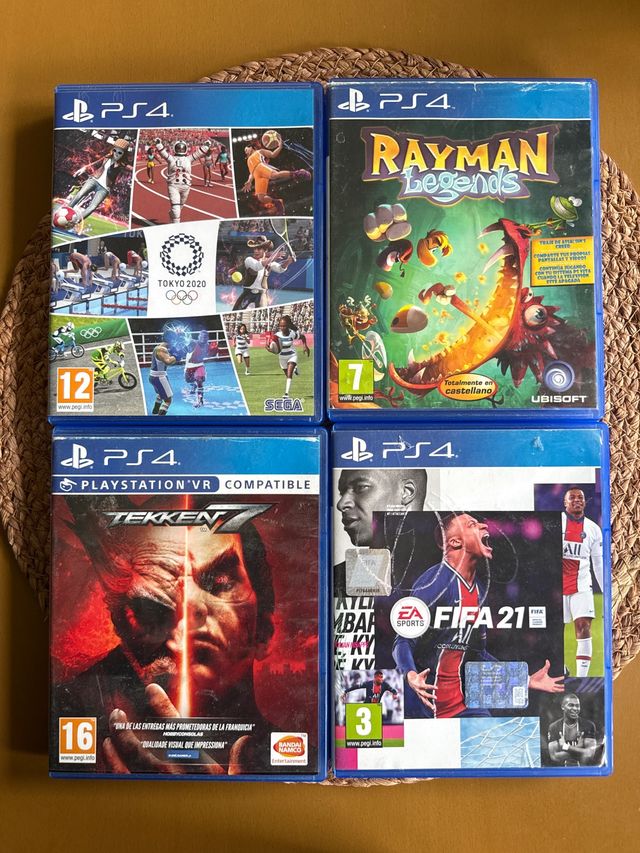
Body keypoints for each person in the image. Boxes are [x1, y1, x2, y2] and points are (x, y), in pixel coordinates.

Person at [53, 495, 278, 775]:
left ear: (264, 631)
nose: (186, 607)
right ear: (121, 623)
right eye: (152, 604)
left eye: (219, 582)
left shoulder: (297, 761)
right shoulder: (67, 716)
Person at [393, 512, 564, 718]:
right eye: (472, 524)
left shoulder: (479, 591)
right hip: (426, 706)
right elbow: (403, 640)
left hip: (463, 705)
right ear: (455, 542)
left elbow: (476, 653)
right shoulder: (435, 581)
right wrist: (411, 675)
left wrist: (524, 680)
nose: (483, 525)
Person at [334, 468, 428, 597]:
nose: (341, 504)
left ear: (406, 492)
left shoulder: (450, 571)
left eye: (361, 488)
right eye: (342, 493)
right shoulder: (338, 579)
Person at [562, 488, 603, 677]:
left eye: (580, 497)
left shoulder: (593, 529)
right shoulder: (556, 523)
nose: (577, 500)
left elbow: (598, 564)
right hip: (557, 587)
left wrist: (606, 592)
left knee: (583, 627)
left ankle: (581, 678)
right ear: (565, 503)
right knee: (554, 630)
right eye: (572, 498)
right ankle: (560, 667)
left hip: (582, 586)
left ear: (585, 502)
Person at [65, 138, 132, 224]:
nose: (116, 153)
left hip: (104, 188)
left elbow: (132, 169)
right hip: (94, 180)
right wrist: (84, 168)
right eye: (115, 150)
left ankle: (75, 221)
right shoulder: (107, 157)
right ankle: (65, 212)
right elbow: (96, 163)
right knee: (79, 195)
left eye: (120, 152)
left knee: (92, 207)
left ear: (123, 154)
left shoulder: (123, 165)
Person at [242, 136, 310, 215]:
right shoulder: (248, 161)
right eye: (245, 151)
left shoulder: (259, 152)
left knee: (274, 175)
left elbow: (273, 154)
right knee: (261, 198)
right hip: (257, 175)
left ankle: (298, 173)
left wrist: (280, 147)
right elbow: (251, 173)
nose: (246, 152)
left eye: (246, 150)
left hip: (261, 167)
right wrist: (249, 181)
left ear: (251, 147)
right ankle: (277, 202)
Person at [152, 137, 210, 223]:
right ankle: (176, 227)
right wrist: (158, 144)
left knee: (179, 208)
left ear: (185, 148)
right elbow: (163, 153)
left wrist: (206, 146)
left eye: (182, 148)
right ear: (175, 148)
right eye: (179, 148)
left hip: (186, 187)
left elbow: (198, 153)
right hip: (173, 186)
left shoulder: (188, 159)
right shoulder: (172, 159)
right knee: (176, 210)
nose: (180, 149)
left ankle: (172, 215)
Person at [232, 236, 293, 310]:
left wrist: (288, 261)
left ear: (265, 250)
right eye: (255, 248)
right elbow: (257, 266)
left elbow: (280, 269)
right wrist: (273, 257)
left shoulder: (269, 261)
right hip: (247, 293)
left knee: (262, 312)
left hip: (261, 294)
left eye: (259, 249)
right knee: (236, 311)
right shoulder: (249, 260)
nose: (256, 251)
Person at [547, 694, 598, 766]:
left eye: (577, 706)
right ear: (563, 707)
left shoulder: (588, 725)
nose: (575, 708)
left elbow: (589, 755)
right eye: (571, 705)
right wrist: (579, 748)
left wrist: (566, 747)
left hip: (582, 770)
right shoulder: (554, 727)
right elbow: (554, 757)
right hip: (562, 771)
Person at [269, 315, 310, 399]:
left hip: (292, 355)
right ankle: (295, 368)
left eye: (284, 326)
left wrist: (305, 345)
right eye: (280, 326)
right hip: (282, 357)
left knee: (289, 374)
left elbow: (302, 337)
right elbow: (273, 349)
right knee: (287, 374)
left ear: (288, 325)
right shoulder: (276, 335)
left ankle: (286, 394)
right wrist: (270, 349)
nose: (282, 328)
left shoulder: (292, 333)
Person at [149, 337, 177, 415]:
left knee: (160, 394)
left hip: (154, 376)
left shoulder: (158, 347)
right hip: (159, 377)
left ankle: (154, 413)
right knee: (168, 400)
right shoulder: (162, 350)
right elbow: (168, 361)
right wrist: (176, 356)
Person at [184, 329, 209, 408]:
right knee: (188, 380)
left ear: (207, 338)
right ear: (198, 337)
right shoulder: (193, 342)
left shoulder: (207, 345)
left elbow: (206, 355)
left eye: (205, 337)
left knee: (200, 381)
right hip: (189, 366)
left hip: (199, 365)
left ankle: (200, 401)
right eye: (201, 336)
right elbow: (186, 344)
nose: (203, 338)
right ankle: (194, 385)